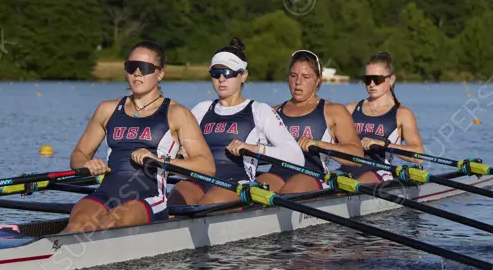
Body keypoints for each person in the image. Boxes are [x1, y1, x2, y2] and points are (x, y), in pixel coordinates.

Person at [64, 41, 215, 232]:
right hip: (106, 193)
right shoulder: (107, 109)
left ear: (160, 74)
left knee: (113, 223)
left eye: (144, 68)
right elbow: (79, 154)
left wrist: (159, 160)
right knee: (77, 224)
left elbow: (207, 167)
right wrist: (85, 164)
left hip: (148, 197)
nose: (137, 73)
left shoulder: (177, 113)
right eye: (131, 67)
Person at [169, 38, 304, 206]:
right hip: (198, 180)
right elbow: (170, 146)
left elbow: (297, 157)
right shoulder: (201, 110)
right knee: (174, 203)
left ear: (243, 76)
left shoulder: (259, 111)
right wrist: (180, 153)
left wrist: (253, 149)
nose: (221, 79)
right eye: (216, 73)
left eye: (228, 73)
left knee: (208, 203)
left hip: (237, 184)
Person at [270, 50, 364, 194]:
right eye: (293, 76)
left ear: (318, 81)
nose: (298, 82)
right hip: (276, 174)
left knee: (295, 186)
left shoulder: (334, 111)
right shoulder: (272, 112)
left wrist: (319, 145)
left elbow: (357, 156)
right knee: (258, 186)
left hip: (313, 176)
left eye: (306, 77)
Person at [343, 51, 425, 182]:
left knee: (360, 182)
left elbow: (419, 155)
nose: (371, 84)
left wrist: (383, 144)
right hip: (347, 170)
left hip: (379, 172)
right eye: (367, 79)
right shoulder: (349, 109)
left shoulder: (402, 114)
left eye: (377, 79)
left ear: (391, 79)